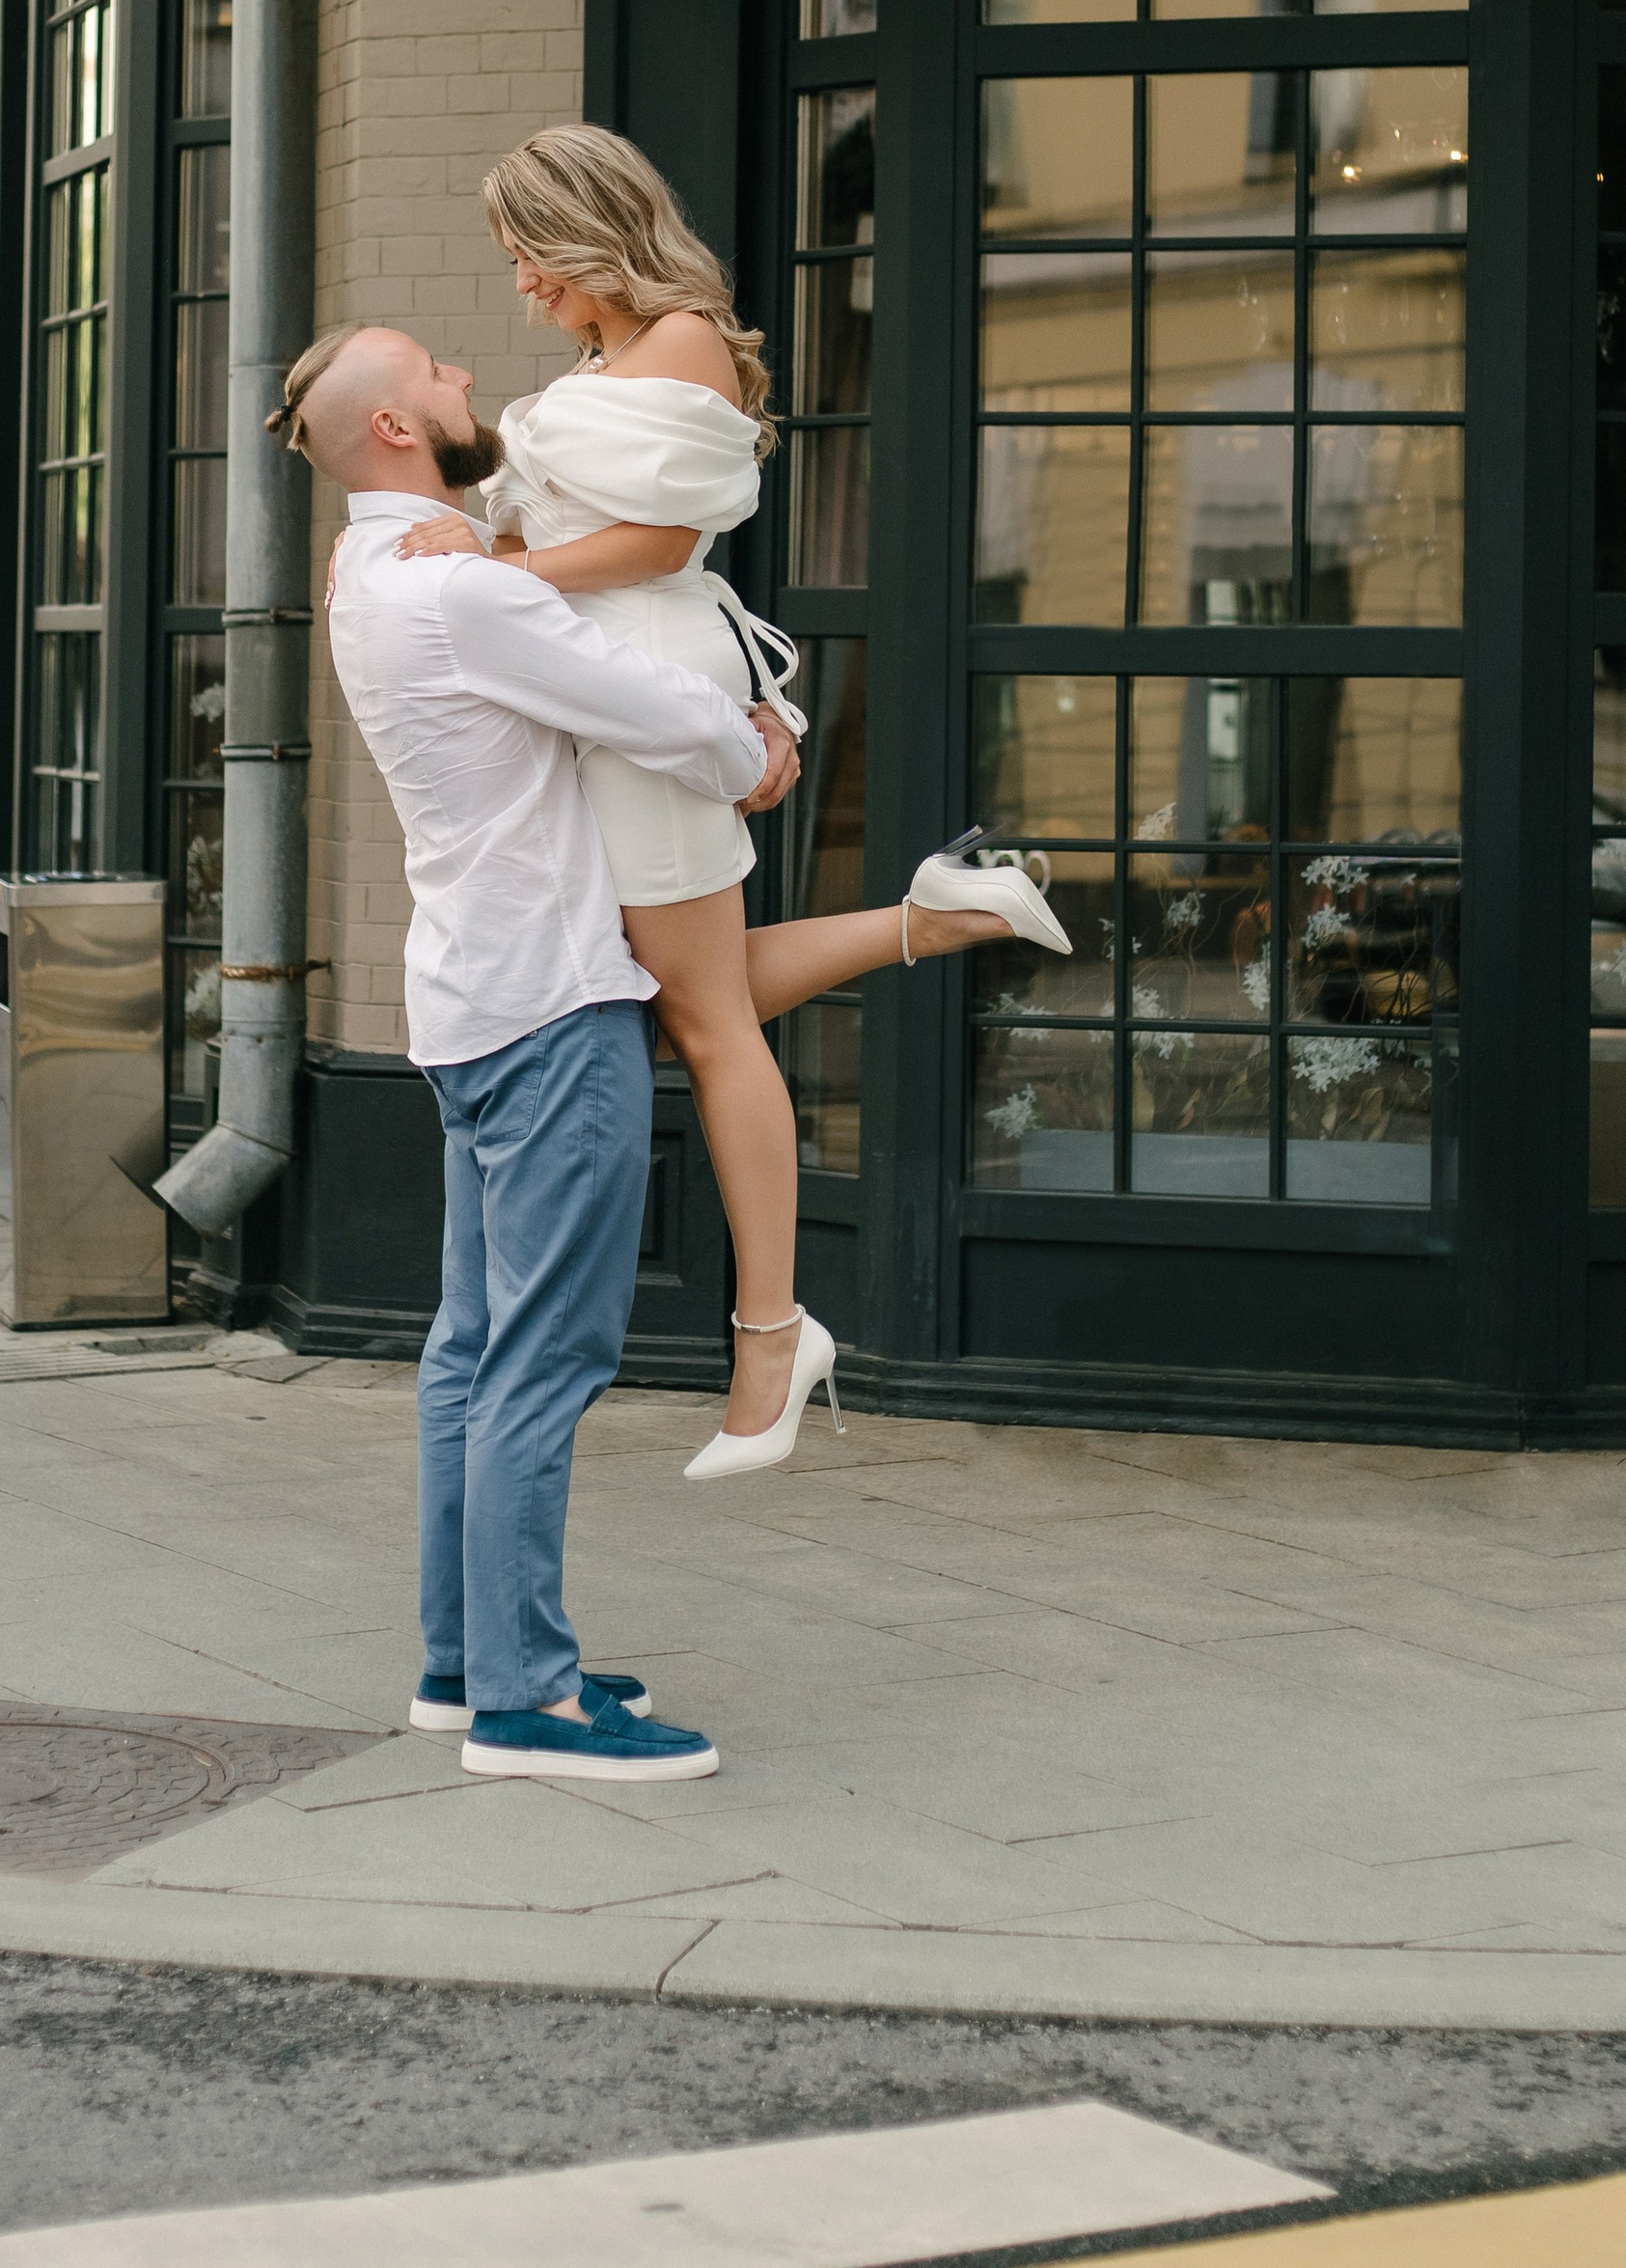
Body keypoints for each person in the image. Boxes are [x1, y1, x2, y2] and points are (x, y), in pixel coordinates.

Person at [389, 125, 1068, 1482]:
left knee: (699, 1020)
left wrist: (503, 563)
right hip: (616, 687)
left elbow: (655, 542)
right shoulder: (610, 357)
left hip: (647, 689)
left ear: (591, 235)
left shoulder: (683, 337)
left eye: (531, 255)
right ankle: (932, 919)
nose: (522, 284)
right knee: (685, 993)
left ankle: (773, 1334)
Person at [279, 318, 803, 1786]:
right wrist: (757, 746)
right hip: (555, 1012)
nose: (464, 378)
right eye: (435, 372)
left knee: (467, 1354)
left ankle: (461, 1664)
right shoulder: (460, 595)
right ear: (395, 431)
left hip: (466, 1002)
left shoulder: (373, 569)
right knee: (545, 1359)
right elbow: (660, 710)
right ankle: (529, 1702)